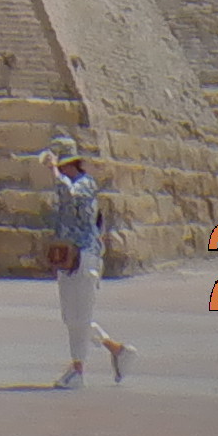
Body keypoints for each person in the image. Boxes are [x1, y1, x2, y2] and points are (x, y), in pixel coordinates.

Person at [41, 139, 127, 385]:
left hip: (85, 256)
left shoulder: (86, 184)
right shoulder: (67, 183)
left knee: (80, 316)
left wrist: (54, 171)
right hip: (68, 258)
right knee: (72, 317)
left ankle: (78, 369)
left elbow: (70, 197)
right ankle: (116, 350)